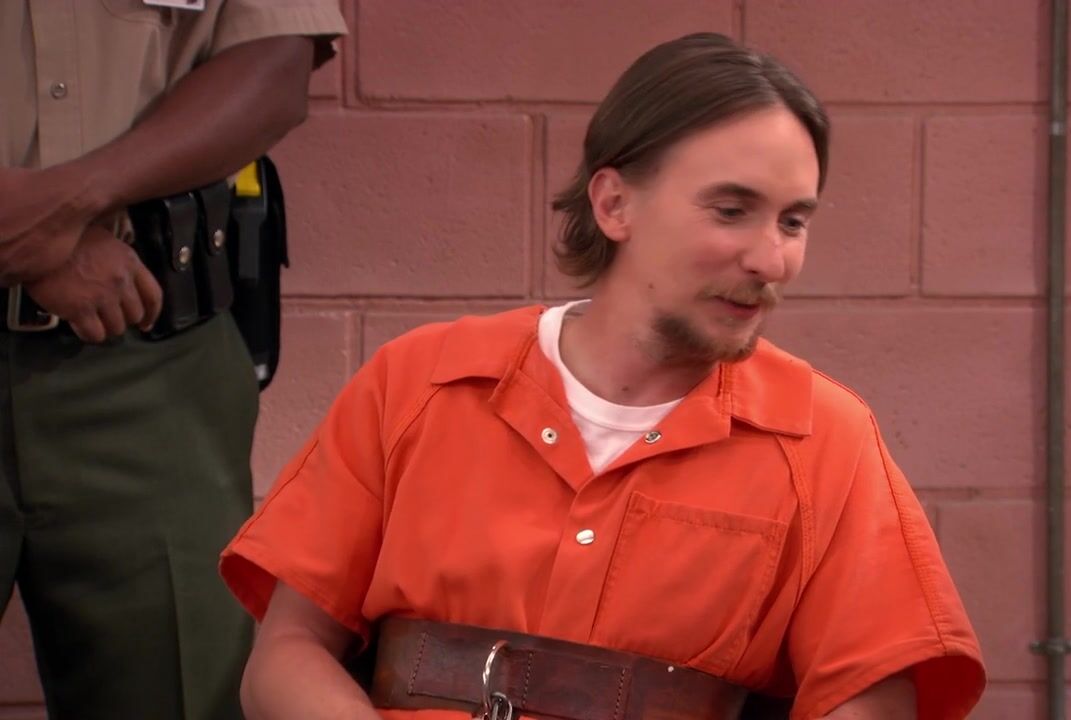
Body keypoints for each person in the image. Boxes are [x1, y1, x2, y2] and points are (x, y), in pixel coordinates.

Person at [220, 33, 986, 720]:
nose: (771, 259)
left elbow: (872, 701)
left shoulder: (825, 441)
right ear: (615, 204)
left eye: (793, 221)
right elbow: (286, 655)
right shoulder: (420, 382)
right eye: (731, 210)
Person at [0, 2, 346, 718]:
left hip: (147, 354)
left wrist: (67, 206)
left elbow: (277, 62)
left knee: (181, 691)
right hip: (125, 307)